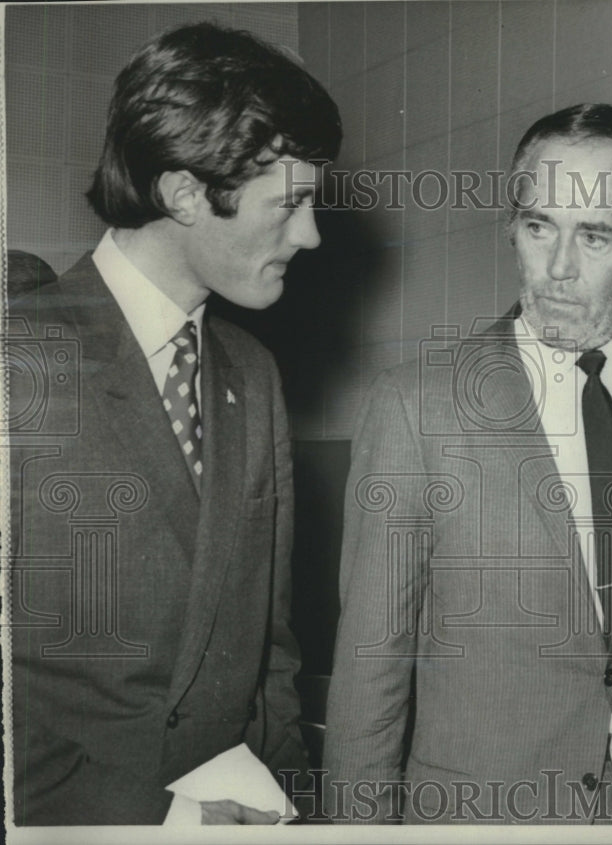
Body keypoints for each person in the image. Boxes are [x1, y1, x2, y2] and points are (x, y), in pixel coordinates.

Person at [324, 103, 612, 824]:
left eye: (594, 236)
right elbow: (371, 666)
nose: (557, 268)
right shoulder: (416, 406)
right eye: (538, 227)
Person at [6, 23, 341, 825]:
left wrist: (290, 806)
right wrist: (156, 816)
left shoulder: (252, 372)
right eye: (289, 204)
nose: (311, 235)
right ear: (185, 193)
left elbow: (272, 648)